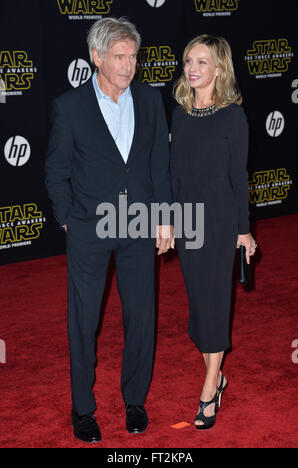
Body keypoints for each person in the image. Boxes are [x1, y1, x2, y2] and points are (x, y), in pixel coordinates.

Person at [45, 17, 174, 443]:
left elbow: (159, 165)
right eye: (119, 56)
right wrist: (68, 219)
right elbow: (56, 170)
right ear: (96, 57)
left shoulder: (150, 99)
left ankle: (135, 401)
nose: (128, 64)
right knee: (84, 321)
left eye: (133, 56)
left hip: (138, 224)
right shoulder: (70, 106)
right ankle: (83, 408)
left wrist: (165, 217)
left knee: (141, 317)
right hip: (88, 229)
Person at [170, 34, 257, 430]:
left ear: (219, 68)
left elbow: (240, 178)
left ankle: (209, 390)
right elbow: (174, 175)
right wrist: (169, 220)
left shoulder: (232, 116)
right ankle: (218, 374)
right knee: (200, 306)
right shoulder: (179, 113)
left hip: (220, 223)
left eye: (202, 62)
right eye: (189, 60)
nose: (193, 68)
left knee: (216, 303)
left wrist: (244, 231)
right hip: (187, 223)